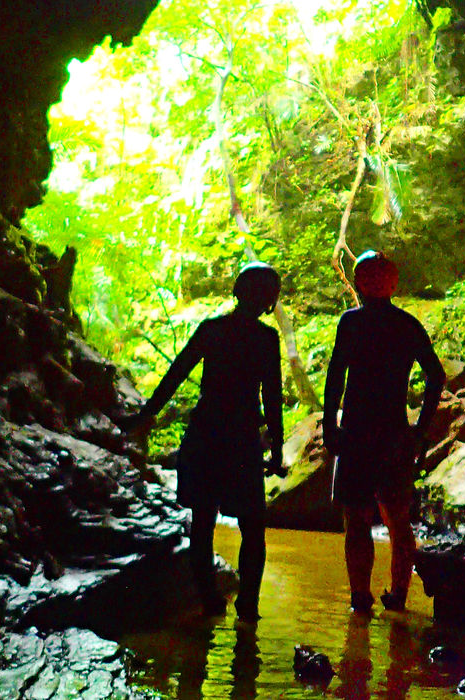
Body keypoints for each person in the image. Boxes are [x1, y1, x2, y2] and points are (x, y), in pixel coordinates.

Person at [125, 262, 285, 623]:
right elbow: (272, 397)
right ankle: (248, 605)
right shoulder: (265, 339)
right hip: (242, 438)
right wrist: (275, 449)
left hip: (206, 433)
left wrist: (146, 416)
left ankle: (210, 600)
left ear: (237, 291)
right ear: (268, 301)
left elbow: (176, 374)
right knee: (252, 526)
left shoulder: (212, 330)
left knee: (203, 521)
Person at [323, 250, 445, 614]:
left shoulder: (352, 322)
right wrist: (420, 430)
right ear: (393, 284)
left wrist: (331, 424)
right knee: (396, 516)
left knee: (357, 517)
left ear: (360, 282)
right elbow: (436, 376)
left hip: (359, 431)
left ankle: (360, 595)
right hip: (393, 432)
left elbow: (335, 376)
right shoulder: (407, 324)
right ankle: (399, 596)